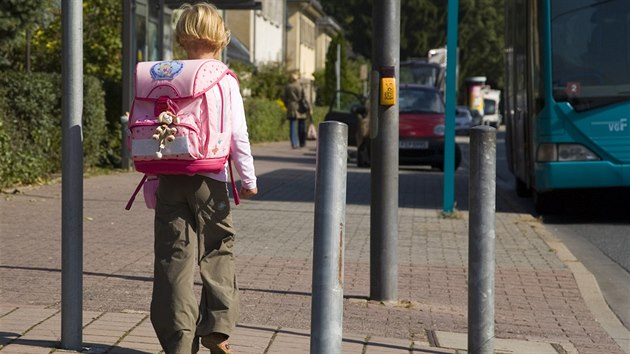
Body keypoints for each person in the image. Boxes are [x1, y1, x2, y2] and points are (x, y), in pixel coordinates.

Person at [151, 3, 258, 354]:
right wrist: (247, 177)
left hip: (169, 175)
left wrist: (153, 181)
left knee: (174, 258)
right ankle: (216, 328)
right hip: (210, 178)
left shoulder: (164, 75)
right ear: (220, 35)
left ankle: (178, 343)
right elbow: (237, 134)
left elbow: (155, 131)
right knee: (218, 249)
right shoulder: (223, 79)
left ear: (183, 34)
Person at [283, 70, 310, 148]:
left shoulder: (288, 86)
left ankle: (294, 143)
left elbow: (284, 98)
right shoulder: (300, 86)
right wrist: (308, 108)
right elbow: (305, 98)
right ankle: (302, 142)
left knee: (292, 125)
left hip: (291, 106)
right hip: (300, 106)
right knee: (302, 125)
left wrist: (287, 105)